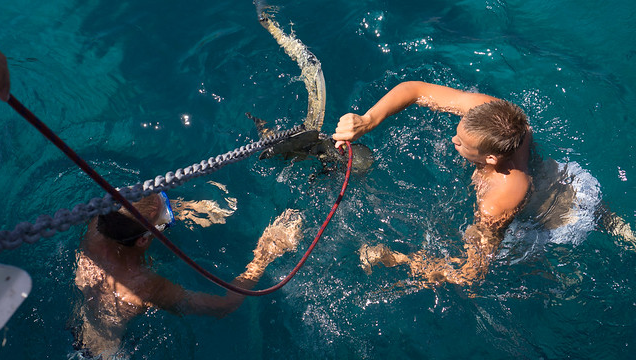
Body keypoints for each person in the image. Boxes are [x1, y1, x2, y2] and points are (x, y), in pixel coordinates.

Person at [332, 81, 532, 287]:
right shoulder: (498, 117)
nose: (453, 140)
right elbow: (416, 90)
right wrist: (368, 121)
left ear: (490, 158)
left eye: (461, 143)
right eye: (458, 132)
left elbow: (470, 274)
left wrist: (398, 259)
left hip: (532, 222)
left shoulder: (495, 203)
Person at [72, 192, 303, 358]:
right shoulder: (144, 286)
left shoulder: (98, 227)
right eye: (164, 221)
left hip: (79, 328)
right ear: (143, 240)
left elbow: (133, 218)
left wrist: (188, 210)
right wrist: (264, 255)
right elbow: (225, 305)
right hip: (107, 354)